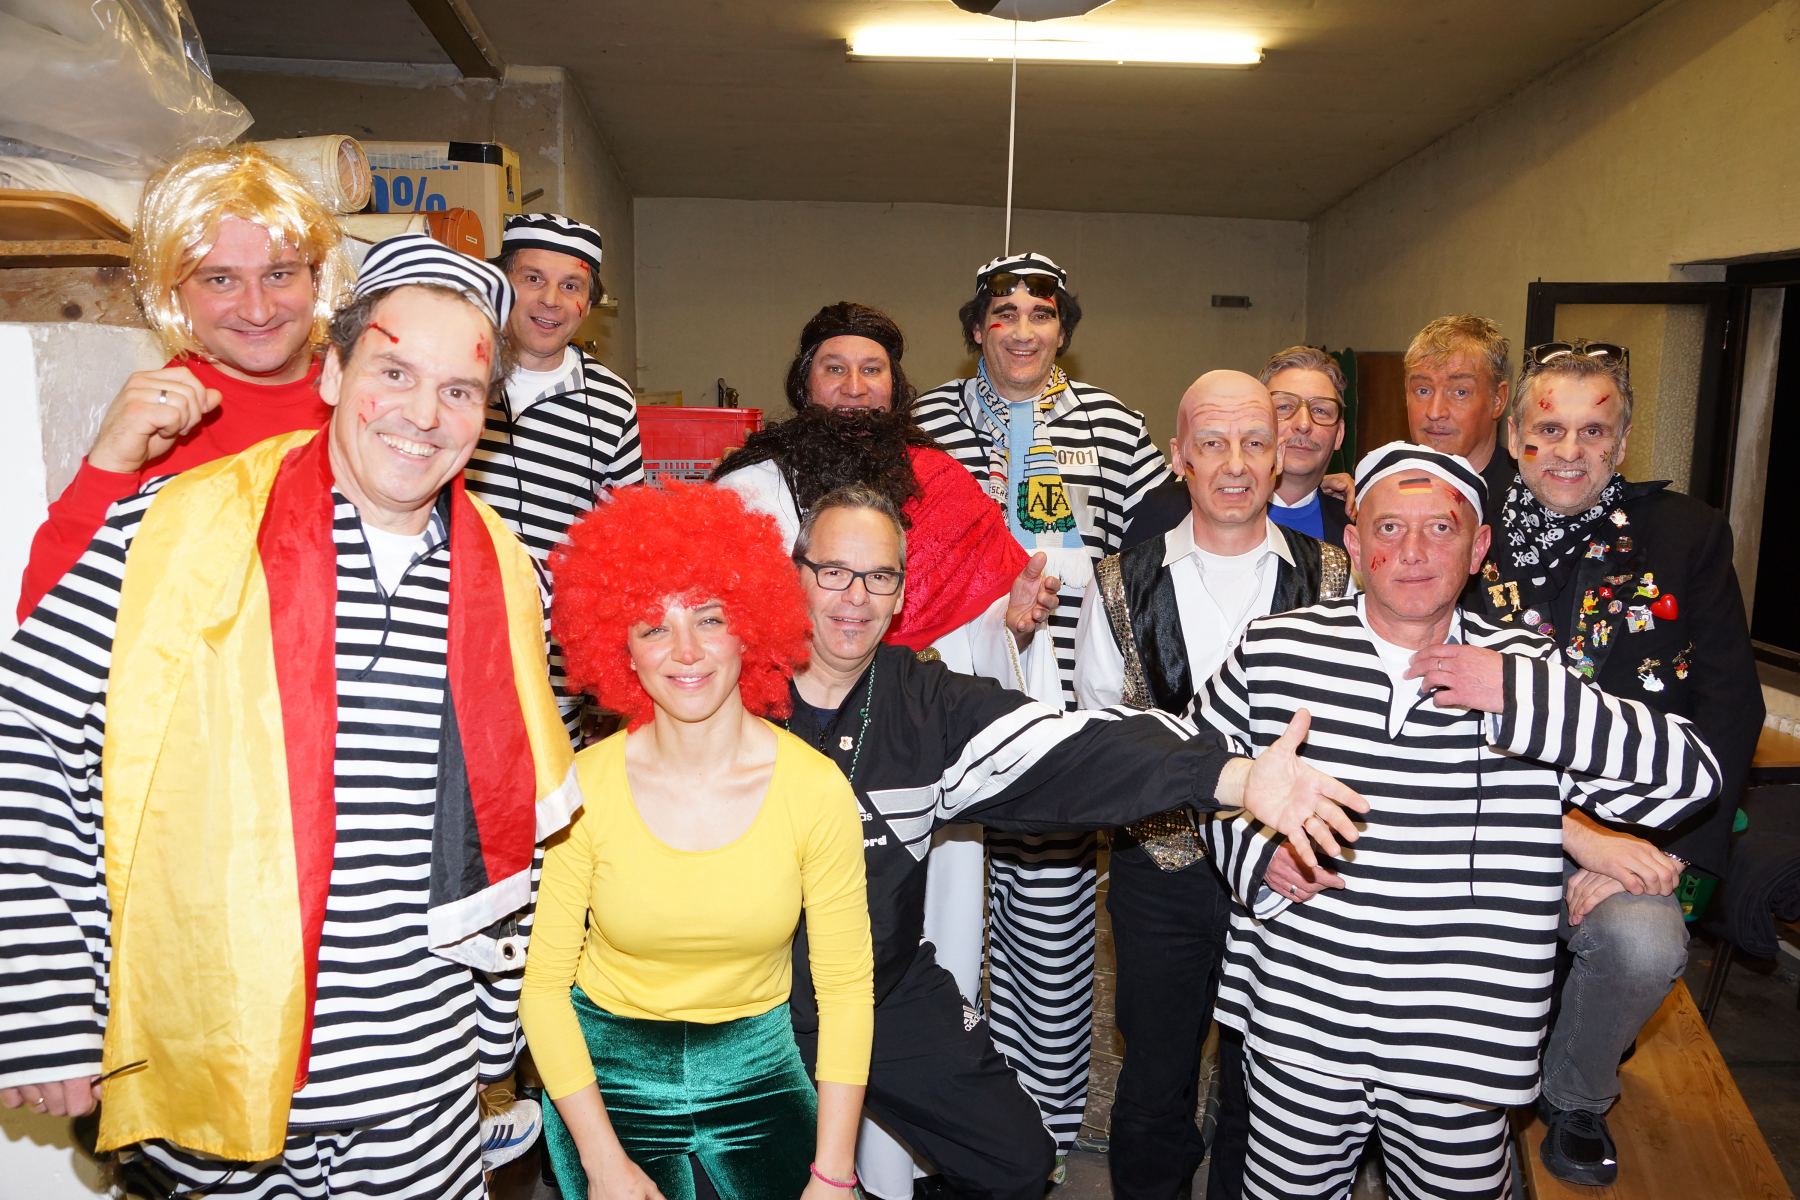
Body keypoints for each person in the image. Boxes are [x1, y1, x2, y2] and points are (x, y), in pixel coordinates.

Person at [0, 236, 581, 1197]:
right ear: (334, 374)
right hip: (213, 1069)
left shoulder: (510, 578)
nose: (423, 415)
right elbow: (24, 738)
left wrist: (491, 1039)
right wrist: (41, 1000)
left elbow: (517, 826)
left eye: (459, 390)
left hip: (420, 1091)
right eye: (394, 372)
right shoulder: (173, 528)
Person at [773, 484, 1366, 1200]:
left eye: (878, 577)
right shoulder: (730, 692)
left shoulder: (925, 704)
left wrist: (1233, 777)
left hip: (882, 986)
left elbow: (1079, 747)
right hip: (748, 999)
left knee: (1019, 1163)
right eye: (833, 571)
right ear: (794, 575)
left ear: (901, 594)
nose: (855, 597)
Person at [1190, 442, 1720, 1200]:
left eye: (1440, 529)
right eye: (1389, 528)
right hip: (1302, 1023)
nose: (1412, 552)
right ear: (1354, 544)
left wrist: (1523, 698)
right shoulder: (1275, 649)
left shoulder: (1529, 669)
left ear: (1477, 549)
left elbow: (1688, 781)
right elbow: (1196, 775)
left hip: (1462, 1039)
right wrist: (1250, 849)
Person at [522, 481, 872, 1200]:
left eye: (709, 618)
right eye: (653, 627)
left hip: (761, 1071)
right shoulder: (581, 787)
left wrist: (835, 1173)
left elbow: (844, 992)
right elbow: (544, 989)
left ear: (750, 627)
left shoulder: (814, 789)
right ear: (621, 648)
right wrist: (603, 1162)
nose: (685, 651)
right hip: (606, 1084)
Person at [1466, 340, 1763, 1187]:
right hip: (1480, 819)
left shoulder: (1687, 534)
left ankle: (1575, 1096)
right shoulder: (1460, 529)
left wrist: (1663, 852)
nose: (1570, 451)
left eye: (1593, 431)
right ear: (1514, 434)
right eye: (1548, 428)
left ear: (1623, 441)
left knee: (1643, 943)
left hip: (1632, 827)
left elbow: (1729, 707)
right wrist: (1567, 832)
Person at [913, 251, 1174, 1156]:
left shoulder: (1115, 424)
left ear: (1063, 328)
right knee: (939, 929)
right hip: (948, 699)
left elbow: (1157, 543)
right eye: (1004, 314)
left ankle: (1044, 1137)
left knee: (1052, 932)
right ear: (975, 328)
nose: (1022, 330)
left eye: (1041, 314)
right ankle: (948, 1136)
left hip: (1063, 708)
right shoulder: (926, 420)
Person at [1073, 370, 1351, 1200]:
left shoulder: (1337, 577)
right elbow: (1107, 746)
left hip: (1293, 872)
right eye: (1214, 443)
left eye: (1255, 442)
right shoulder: (1118, 581)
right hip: (1162, 873)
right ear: (1179, 457)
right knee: (1155, 1076)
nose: (1235, 463)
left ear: (1280, 456)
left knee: (1265, 1080)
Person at [15, 142, 350, 621]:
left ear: (315, 278)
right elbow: (46, 626)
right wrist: (110, 464)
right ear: (173, 290)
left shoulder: (372, 399)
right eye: (220, 280)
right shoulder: (153, 425)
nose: (258, 310)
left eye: (279, 274)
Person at [713, 302, 1059, 686]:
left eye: (872, 370)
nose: (854, 388)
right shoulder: (750, 489)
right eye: (835, 369)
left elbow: (979, 624)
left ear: (893, 385)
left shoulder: (941, 483)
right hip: (796, 707)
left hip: (928, 704)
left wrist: (1011, 621)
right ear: (804, 383)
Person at [471, 212, 643, 560]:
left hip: (557, 596)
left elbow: (628, 534)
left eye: (570, 286)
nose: (550, 299)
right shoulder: (451, 372)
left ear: (588, 306)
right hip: (450, 591)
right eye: (533, 278)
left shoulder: (613, 402)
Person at [1122, 346, 1351, 553]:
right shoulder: (1164, 510)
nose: (1303, 424)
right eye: (1283, 406)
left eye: (1321, 410)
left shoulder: (1354, 524)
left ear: (1340, 434)